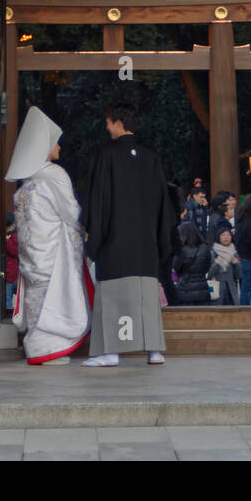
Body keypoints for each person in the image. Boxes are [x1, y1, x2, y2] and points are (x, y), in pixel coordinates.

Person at [82, 100, 174, 368]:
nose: (107, 127)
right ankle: (154, 350)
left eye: (109, 122)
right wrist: (161, 240)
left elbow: (97, 200)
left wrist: (93, 235)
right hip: (147, 245)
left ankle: (111, 353)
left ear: (118, 122)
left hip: (115, 242)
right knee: (146, 297)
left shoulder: (105, 155)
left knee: (115, 297)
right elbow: (164, 206)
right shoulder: (152, 157)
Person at [6, 106, 92, 365]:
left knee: (37, 300)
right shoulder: (55, 175)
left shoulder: (26, 185)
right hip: (54, 253)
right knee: (54, 301)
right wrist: (85, 230)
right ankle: (50, 347)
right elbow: (71, 212)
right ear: (45, 148)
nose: (60, 148)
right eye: (56, 144)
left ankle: (36, 346)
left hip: (32, 254)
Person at [173, 221, 212, 304]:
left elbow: (176, 269)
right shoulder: (205, 248)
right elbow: (208, 267)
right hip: (203, 290)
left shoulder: (180, 250)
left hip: (184, 290)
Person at [208, 222, 242, 305]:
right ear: (218, 237)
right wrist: (217, 264)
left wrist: (237, 264)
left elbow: (239, 275)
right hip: (218, 289)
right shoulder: (213, 253)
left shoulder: (234, 253)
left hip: (231, 290)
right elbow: (209, 274)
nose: (226, 237)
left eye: (228, 235)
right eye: (223, 235)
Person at [4, 211, 19, 315]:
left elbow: (14, 251)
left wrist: (7, 241)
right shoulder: (10, 235)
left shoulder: (14, 236)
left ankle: (10, 311)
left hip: (12, 272)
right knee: (7, 294)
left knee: (9, 294)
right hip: (8, 272)